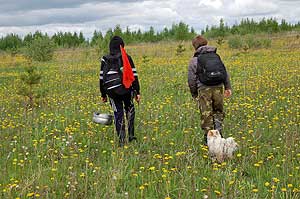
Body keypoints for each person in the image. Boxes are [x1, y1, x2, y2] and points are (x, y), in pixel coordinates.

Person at [188, 35, 232, 145]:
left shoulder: (195, 60)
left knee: (206, 113)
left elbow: (191, 79)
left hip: (204, 89)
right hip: (218, 86)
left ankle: (210, 139)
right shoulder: (216, 56)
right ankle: (219, 133)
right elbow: (224, 72)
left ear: (195, 46)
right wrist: (227, 87)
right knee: (218, 110)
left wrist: (194, 93)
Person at [99, 36, 141, 147]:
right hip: (126, 89)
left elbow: (102, 78)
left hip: (111, 92)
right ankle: (131, 136)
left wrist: (103, 94)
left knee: (118, 113)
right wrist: (137, 92)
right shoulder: (126, 57)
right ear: (122, 46)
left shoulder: (105, 59)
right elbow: (134, 76)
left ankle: (122, 140)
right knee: (130, 110)